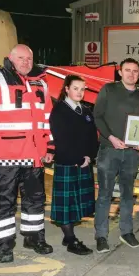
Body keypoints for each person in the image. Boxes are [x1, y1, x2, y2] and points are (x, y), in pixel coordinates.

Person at [0, 44, 54, 263]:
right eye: (21, 58)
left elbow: (47, 119)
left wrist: (49, 147)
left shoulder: (40, 83)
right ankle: (3, 245)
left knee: (35, 201)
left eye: (29, 59)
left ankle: (34, 238)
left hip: (34, 156)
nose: (25, 62)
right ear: (10, 58)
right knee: (4, 202)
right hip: (2, 156)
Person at [93, 58, 139, 253]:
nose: (131, 74)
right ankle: (101, 236)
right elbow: (97, 116)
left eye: (135, 71)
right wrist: (111, 138)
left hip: (132, 153)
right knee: (104, 194)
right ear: (120, 72)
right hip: (109, 150)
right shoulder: (108, 90)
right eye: (127, 70)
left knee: (127, 194)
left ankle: (126, 232)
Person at [49, 75, 99, 255]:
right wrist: (78, 159)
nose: (80, 92)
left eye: (83, 89)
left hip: (83, 162)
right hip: (68, 163)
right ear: (67, 89)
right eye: (76, 88)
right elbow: (61, 140)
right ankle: (70, 240)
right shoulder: (59, 110)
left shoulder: (85, 111)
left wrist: (89, 156)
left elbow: (93, 137)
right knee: (67, 205)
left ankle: (67, 235)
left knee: (76, 203)